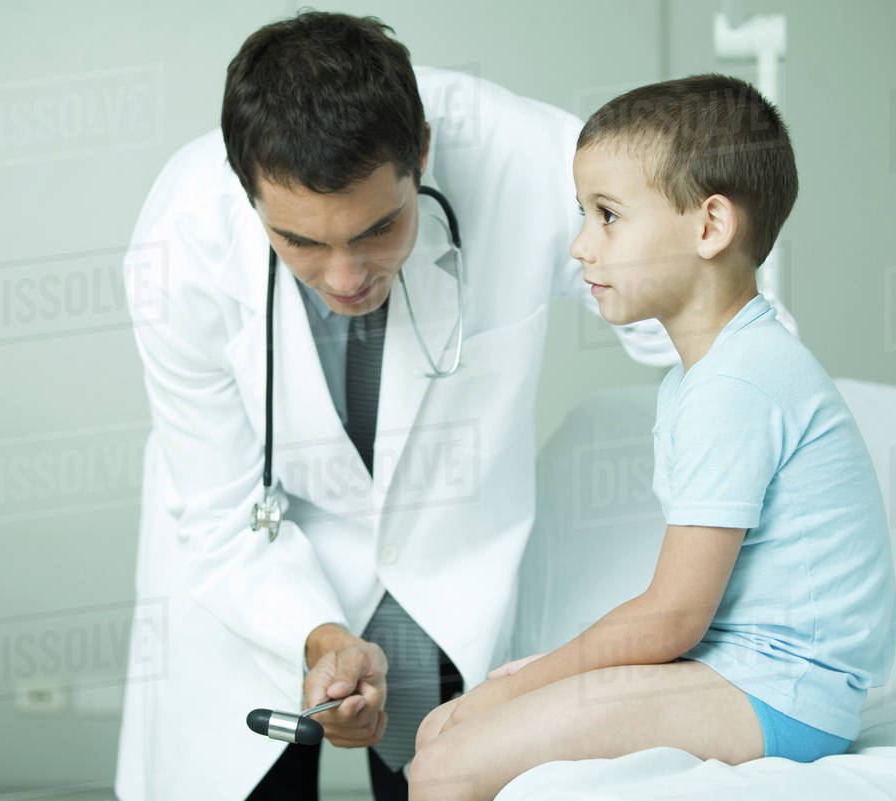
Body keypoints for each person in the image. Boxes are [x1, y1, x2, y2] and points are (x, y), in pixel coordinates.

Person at [113, 14, 790, 800]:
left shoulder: (528, 158)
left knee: (435, 779)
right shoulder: (179, 239)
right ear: (247, 194)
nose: (343, 278)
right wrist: (322, 635)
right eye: (299, 242)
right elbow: (217, 513)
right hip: (246, 576)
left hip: (438, 577)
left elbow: (711, 322)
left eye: (379, 229)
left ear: (422, 153)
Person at [409, 74, 896, 801]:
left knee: (449, 760)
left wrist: (520, 682)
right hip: (744, 674)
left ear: (709, 227)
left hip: (777, 691)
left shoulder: (737, 384)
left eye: (607, 215)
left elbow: (672, 616)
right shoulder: (708, 376)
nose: (579, 245)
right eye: (581, 214)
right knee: (438, 735)